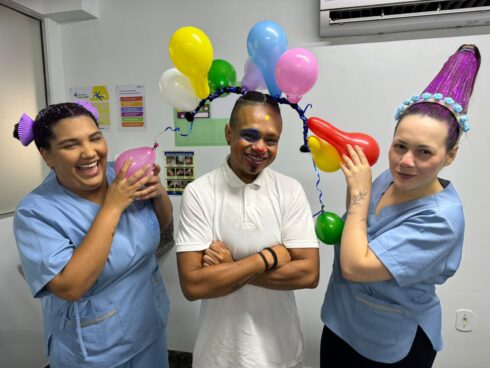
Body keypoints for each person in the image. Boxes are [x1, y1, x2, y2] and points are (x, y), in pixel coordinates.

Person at [320, 44, 481, 367]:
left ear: (450, 155)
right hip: (341, 321)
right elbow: (358, 223)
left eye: (424, 152)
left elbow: (354, 266)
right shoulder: (388, 179)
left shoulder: (440, 221)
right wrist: (360, 196)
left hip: (389, 340)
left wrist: (358, 193)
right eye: (400, 147)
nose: (406, 162)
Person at [12, 101, 173, 367]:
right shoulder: (35, 212)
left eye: (95, 138)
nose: (89, 152)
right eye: (70, 145)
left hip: (148, 324)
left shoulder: (119, 173)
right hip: (95, 348)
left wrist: (159, 193)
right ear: (47, 155)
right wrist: (112, 206)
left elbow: (161, 224)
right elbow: (70, 286)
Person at [176, 91, 320, 368]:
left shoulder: (289, 191)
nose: (260, 148)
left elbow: (308, 273)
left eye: (271, 139)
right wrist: (268, 258)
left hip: (281, 354)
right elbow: (193, 285)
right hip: (219, 355)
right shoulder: (199, 193)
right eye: (250, 135)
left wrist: (230, 267)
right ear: (229, 133)